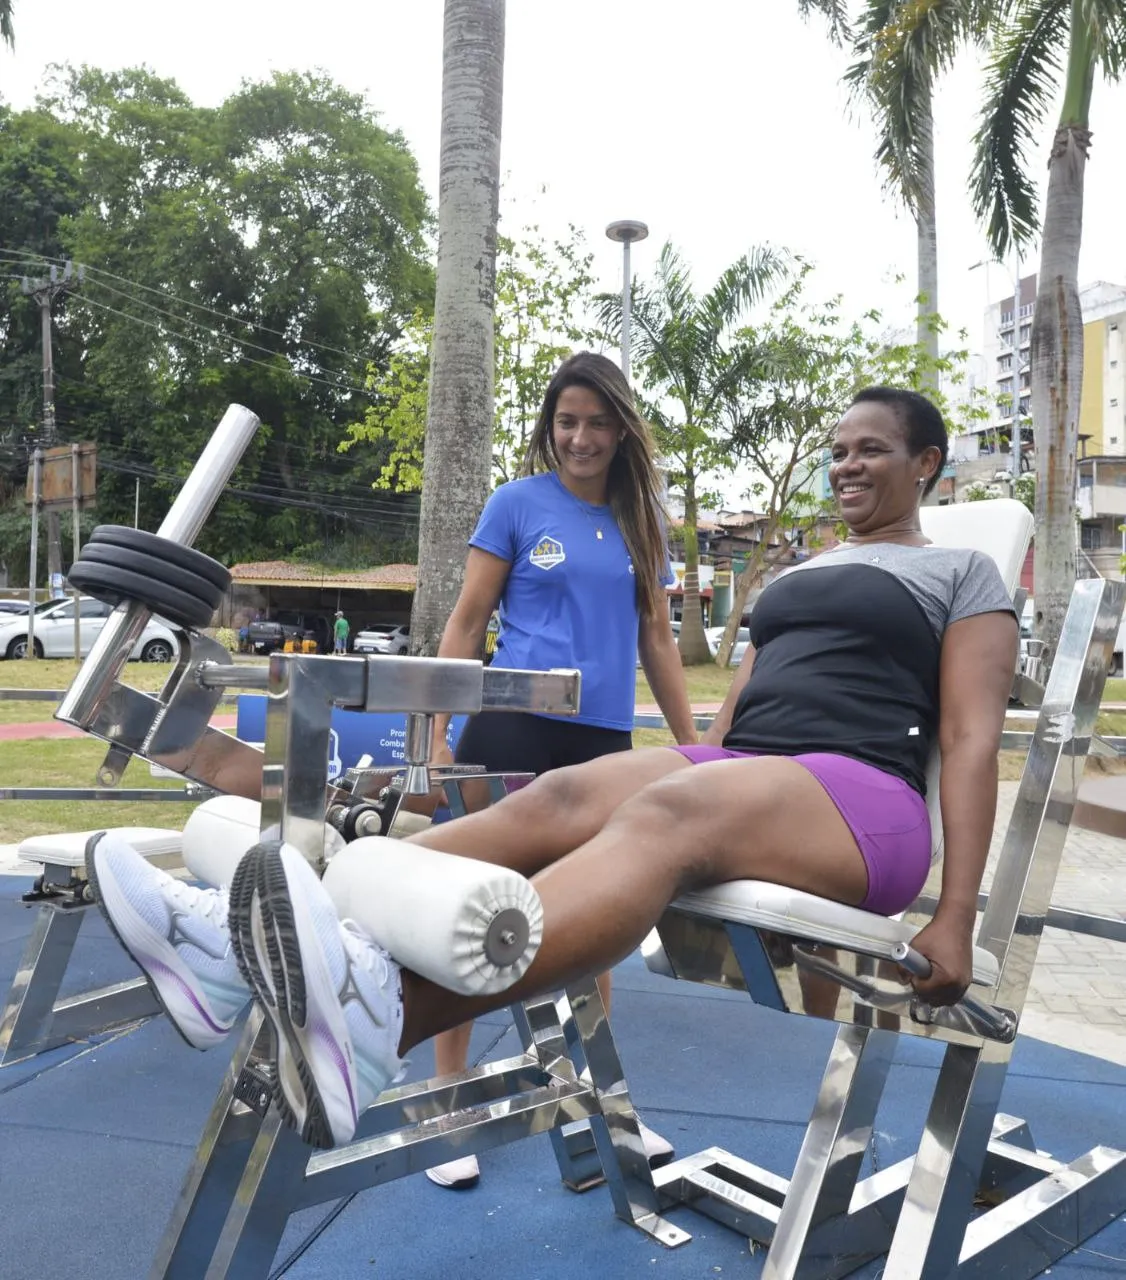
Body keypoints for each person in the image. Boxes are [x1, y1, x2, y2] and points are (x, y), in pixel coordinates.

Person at [89, 386, 1019, 1160]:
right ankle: (240, 943)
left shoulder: (960, 572)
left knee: (671, 808)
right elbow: (742, 714)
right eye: (839, 451)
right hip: (748, 777)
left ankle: (389, 1019)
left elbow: (972, 739)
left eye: (872, 450)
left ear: (925, 462)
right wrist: (696, 753)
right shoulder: (790, 578)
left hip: (866, 803)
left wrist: (955, 914)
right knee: (563, 794)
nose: (848, 465)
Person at [421, 350, 697, 1185]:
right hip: (510, 726)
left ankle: (598, 1097)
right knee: (474, 908)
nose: (579, 437)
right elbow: (467, 622)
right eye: (565, 422)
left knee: (597, 925)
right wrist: (438, 736)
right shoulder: (516, 503)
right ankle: (448, 1099)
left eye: (595, 422)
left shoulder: (641, 518)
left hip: (601, 741)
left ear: (621, 427)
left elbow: (657, 640)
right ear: (551, 427)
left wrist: (695, 747)